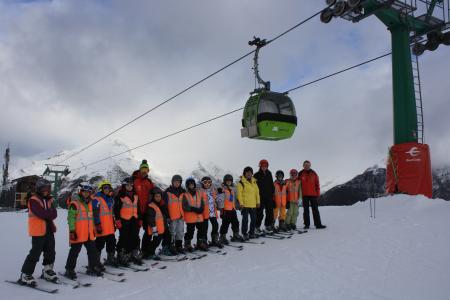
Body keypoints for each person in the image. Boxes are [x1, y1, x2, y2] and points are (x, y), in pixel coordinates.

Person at [19, 178, 58, 285]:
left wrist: (48, 213)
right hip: (38, 231)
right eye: (44, 188)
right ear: (39, 189)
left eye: (48, 188)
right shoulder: (33, 200)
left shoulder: (49, 200)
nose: (46, 191)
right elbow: (41, 213)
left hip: (49, 230)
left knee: (50, 251)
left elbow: (55, 214)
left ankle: (47, 270)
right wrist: (48, 213)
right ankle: (26, 274)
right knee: (35, 253)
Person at [64, 183, 103, 280]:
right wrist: (72, 231)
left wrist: (93, 230)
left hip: (88, 234)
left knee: (92, 251)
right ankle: (69, 269)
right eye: (85, 192)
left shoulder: (89, 204)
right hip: (78, 234)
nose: (87, 194)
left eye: (88, 192)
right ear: (81, 192)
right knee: (74, 252)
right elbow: (71, 219)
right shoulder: (75, 204)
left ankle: (92, 267)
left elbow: (90, 219)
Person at [114, 177, 140, 266]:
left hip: (134, 219)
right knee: (124, 237)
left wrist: (139, 219)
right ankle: (121, 255)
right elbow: (116, 209)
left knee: (135, 237)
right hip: (124, 220)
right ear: (124, 185)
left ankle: (133, 254)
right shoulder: (120, 196)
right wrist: (117, 220)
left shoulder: (136, 195)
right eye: (127, 185)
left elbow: (138, 208)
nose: (130, 186)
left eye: (131, 185)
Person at [92, 180, 117, 268]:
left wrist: (113, 223)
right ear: (101, 188)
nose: (107, 189)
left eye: (108, 187)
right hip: (101, 227)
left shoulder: (110, 199)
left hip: (109, 227)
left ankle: (110, 258)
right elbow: (95, 213)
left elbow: (110, 214)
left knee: (112, 242)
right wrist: (97, 224)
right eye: (105, 187)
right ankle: (95, 262)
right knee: (99, 244)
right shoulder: (96, 199)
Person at [132, 159, 155, 249]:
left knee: (148, 231)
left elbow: (154, 193)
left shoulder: (149, 182)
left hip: (147, 210)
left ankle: (145, 250)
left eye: (146, 170)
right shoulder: (134, 180)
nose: (144, 171)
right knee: (135, 232)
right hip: (135, 211)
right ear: (140, 170)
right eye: (143, 169)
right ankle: (134, 251)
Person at [299, 161, 326, 229]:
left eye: (308, 165)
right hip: (304, 195)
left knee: (315, 209)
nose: (306, 166)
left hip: (313, 194)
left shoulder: (314, 173)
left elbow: (317, 184)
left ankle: (318, 224)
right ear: (303, 166)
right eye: (305, 165)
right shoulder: (300, 173)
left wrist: (317, 193)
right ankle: (306, 225)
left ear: (310, 165)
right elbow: (297, 183)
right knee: (306, 210)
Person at [218, 174, 244, 244]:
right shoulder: (222, 189)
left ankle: (236, 235)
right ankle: (222, 237)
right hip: (225, 210)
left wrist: (238, 207)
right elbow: (220, 200)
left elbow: (234, 200)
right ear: (224, 181)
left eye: (230, 181)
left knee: (236, 223)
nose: (229, 182)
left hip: (232, 209)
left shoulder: (233, 189)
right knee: (225, 224)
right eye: (227, 181)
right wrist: (221, 211)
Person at [182, 178, 206, 252]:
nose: (191, 186)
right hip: (190, 217)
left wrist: (201, 209)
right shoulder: (185, 195)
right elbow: (184, 206)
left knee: (201, 230)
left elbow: (202, 203)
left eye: (192, 184)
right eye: (189, 185)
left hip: (199, 216)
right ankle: (187, 244)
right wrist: (193, 209)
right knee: (190, 231)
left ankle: (200, 242)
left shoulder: (199, 193)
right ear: (187, 186)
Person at [164, 175, 185, 255]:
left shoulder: (183, 192)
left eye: (178, 182)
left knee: (180, 231)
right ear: (172, 182)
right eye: (175, 182)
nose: (177, 183)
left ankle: (178, 246)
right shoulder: (167, 192)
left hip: (181, 216)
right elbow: (165, 205)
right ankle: (171, 246)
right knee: (172, 232)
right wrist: (167, 216)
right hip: (172, 216)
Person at [142, 188, 166, 260]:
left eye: (159, 196)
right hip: (154, 228)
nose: (158, 198)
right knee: (154, 241)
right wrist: (154, 228)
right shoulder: (151, 206)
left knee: (157, 241)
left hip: (160, 227)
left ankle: (150, 252)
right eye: (156, 196)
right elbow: (150, 218)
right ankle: (149, 253)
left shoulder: (160, 205)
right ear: (153, 197)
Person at [237, 167, 260, 240]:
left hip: (253, 204)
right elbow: (239, 194)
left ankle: (251, 233)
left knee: (254, 219)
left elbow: (257, 193)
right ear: (245, 173)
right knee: (245, 220)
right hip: (245, 205)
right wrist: (241, 203)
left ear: (252, 173)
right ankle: (244, 234)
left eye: (250, 172)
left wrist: (258, 202)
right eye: (247, 172)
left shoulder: (254, 182)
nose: (249, 174)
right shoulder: (241, 182)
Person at [199, 176, 222, 248]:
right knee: (204, 228)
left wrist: (220, 192)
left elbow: (217, 198)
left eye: (209, 182)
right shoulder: (200, 192)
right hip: (204, 213)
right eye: (205, 182)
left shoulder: (213, 191)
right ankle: (204, 241)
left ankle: (214, 240)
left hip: (212, 212)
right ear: (202, 183)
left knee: (215, 225)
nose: (207, 184)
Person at [254, 159, 275, 233]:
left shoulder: (269, 173)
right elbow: (254, 186)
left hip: (269, 196)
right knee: (259, 213)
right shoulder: (256, 175)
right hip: (260, 197)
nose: (264, 167)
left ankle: (268, 225)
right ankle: (257, 227)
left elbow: (271, 185)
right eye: (262, 166)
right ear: (260, 166)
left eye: (265, 166)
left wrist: (272, 194)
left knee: (270, 212)